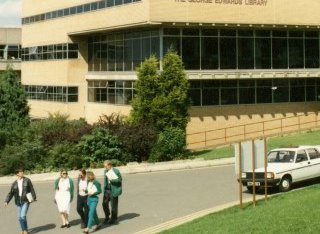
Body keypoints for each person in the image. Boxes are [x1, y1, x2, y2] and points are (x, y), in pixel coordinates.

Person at [4, 168, 37, 234]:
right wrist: (6, 201)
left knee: (22, 216)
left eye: (22, 172)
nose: (22, 173)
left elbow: (31, 189)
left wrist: (34, 197)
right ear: (17, 174)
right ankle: (23, 229)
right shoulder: (14, 183)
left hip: (26, 200)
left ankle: (25, 230)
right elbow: (11, 193)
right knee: (19, 217)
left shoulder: (27, 180)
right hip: (18, 201)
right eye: (20, 172)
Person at [102, 160, 122, 225]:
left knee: (113, 205)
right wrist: (104, 189)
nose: (105, 168)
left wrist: (112, 180)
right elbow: (105, 181)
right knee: (104, 204)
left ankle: (114, 219)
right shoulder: (105, 171)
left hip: (113, 190)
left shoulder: (116, 171)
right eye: (104, 166)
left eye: (106, 166)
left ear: (109, 165)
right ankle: (107, 216)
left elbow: (120, 180)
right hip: (107, 190)